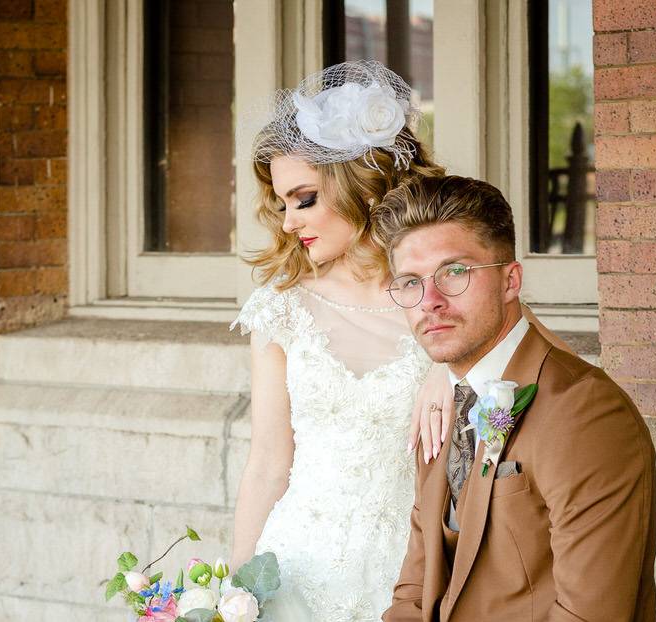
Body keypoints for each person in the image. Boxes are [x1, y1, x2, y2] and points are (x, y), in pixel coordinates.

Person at [230, 61, 570, 621]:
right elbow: (268, 461)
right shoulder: (281, 309)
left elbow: (548, 368)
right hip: (296, 568)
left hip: (419, 570)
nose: (289, 222)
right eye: (283, 202)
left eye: (304, 198)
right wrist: (235, 593)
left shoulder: (454, 298)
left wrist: (448, 363)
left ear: (356, 184)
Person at [372, 175, 656, 622]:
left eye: (455, 272)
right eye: (410, 282)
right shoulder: (442, 403)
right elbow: (416, 587)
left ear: (510, 281)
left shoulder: (584, 411)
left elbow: (589, 615)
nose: (429, 300)